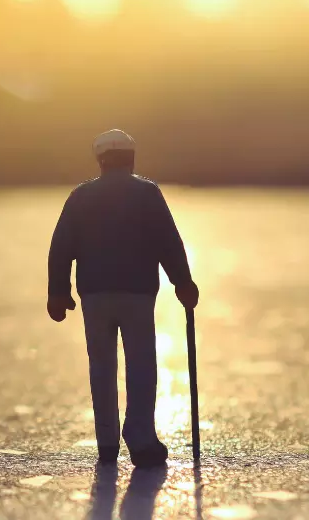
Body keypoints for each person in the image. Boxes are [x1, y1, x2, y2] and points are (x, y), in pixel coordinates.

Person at [48, 129, 199, 466]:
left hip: (95, 294)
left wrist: (58, 292)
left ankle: (106, 442)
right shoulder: (147, 193)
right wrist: (183, 282)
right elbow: (168, 242)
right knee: (141, 365)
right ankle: (141, 437)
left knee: (101, 366)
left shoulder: (81, 196)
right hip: (138, 293)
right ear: (131, 158)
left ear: (100, 161)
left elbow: (61, 247)